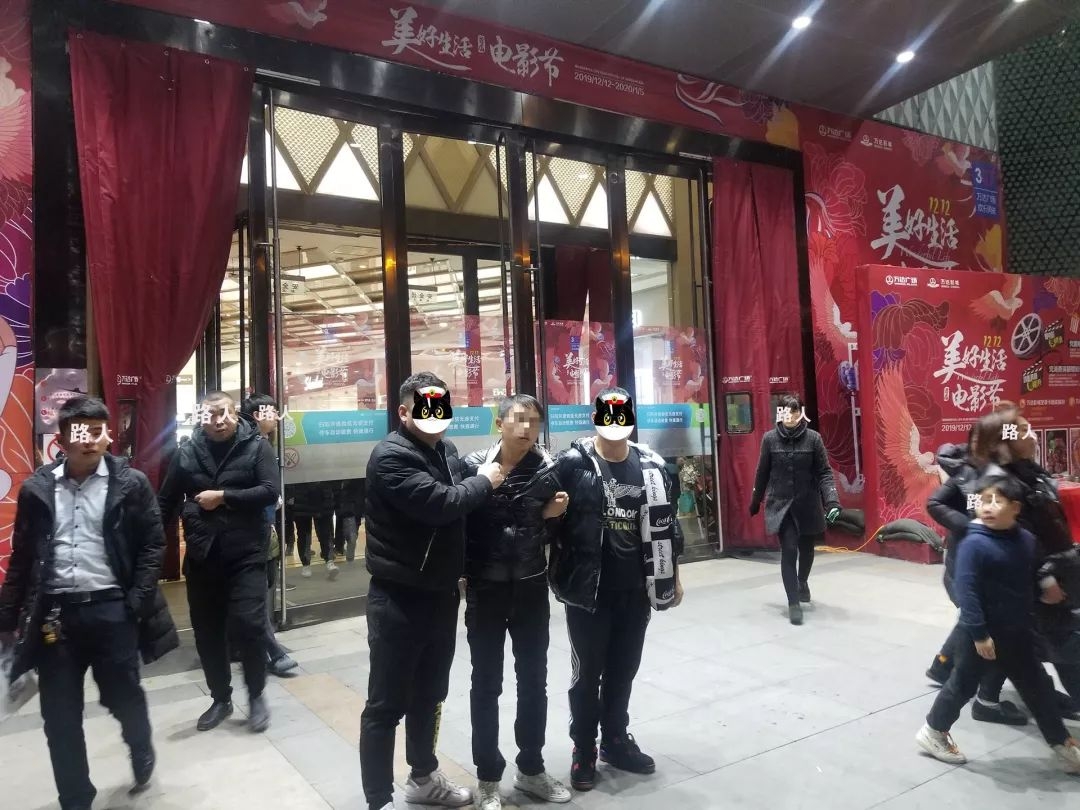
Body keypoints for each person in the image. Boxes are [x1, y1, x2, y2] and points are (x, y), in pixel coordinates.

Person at [0, 396, 178, 810]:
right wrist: (6, 619)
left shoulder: (131, 484)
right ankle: (76, 798)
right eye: (80, 432)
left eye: (97, 431)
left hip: (112, 611)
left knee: (123, 697)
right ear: (62, 439)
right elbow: (23, 557)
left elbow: (153, 544)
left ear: (107, 436)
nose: (90, 440)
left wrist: (134, 602)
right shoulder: (38, 490)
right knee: (59, 717)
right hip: (55, 618)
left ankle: (140, 745)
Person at [359, 372, 506, 810]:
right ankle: (378, 800)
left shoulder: (446, 450)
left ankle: (422, 777)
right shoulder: (390, 456)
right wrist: (487, 480)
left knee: (430, 694)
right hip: (398, 597)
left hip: (441, 594)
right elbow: (443, 504)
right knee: (385, 704)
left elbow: (461, 505)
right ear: (404, 412)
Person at [548, 387, 684, 793]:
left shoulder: (651, 466)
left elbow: (667, 525)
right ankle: (584, 748)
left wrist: (672, 575)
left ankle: (615, 740)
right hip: (588, 592)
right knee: (587, 674)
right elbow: (545, 517)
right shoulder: (572, 464)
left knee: (624, 670)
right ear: (595, 418)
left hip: (635, 590)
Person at [915, 473, 1080, 772]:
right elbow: (967, 592)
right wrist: (979, 634)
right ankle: (933, 731)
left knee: (1038, 688)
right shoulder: (974, 544)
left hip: (1018, 632)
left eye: (997, 501)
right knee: (962, 685)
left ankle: (1061, 743)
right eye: (983, 500)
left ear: (1015, 507)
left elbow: (1031, 575)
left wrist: (1045, 589)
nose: (988, 507)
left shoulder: (1025, 540)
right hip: (981, 636)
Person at [462, 394, 572, 810]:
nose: (527, 429)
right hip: (485, 590)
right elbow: (458, 522)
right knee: (485, 684)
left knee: (533, 682)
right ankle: (488, 777)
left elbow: (562, 533)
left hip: (530, 588)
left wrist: (553, 516)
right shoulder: (472, 466)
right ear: (499, 423)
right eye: (519, 419)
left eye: (535, 421)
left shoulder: (550, 469)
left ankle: (531, 769)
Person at [158, 391, 280, 733]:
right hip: (202, 555)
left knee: (249, 625)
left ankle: (256, 695)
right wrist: (149, 546)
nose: (219, 420)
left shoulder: (257, 447)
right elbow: (166, 502)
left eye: (224, 413)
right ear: (201, 418)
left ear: (235, 413)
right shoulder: (186, 453)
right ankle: (220, 699)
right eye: (211, 415)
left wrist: (224, 497)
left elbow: (269, 491)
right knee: (207, 632)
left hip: (246, 553)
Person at [924, 428, 1027, 725]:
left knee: (974, 624)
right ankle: (981, 700)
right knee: (982, 629)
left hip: (994, 565)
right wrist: (968, 526)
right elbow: (935, 503)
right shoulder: (966, 473)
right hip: (967, 563)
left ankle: (943, 667)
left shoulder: (1009, 474)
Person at [748, 393, 841, 625]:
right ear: (780, 413)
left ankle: (802, 582)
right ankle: (793, 603)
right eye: (785, 412)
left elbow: (824, 473)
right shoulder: (770, 439)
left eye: (795, 411)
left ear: (801, 413)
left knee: (806, 549)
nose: (790, 416)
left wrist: (831, 500)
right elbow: (762, 472)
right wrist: (756, 500)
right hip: (782, 506)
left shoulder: (814, 439)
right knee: (789, 549)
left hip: (808, 503)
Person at [240, 393, 299, 678]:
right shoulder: (251, 446)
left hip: (264, 527)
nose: (276, 417)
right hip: (253, 530)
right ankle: (271, 650)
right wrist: (270, 500)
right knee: (258, 593)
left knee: (263, 588)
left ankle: (263, 647)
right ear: (256, 415)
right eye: (272, 412)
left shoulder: (260, 443)